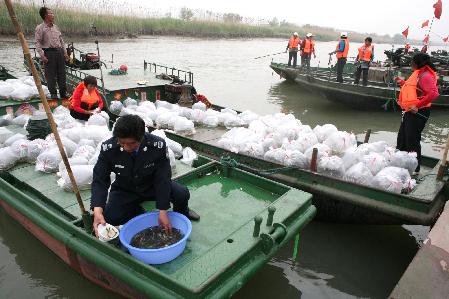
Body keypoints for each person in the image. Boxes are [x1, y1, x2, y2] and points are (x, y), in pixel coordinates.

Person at [91, 115, 200, 236]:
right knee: (111, 217)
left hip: (151, 186)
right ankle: (138, 212)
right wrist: (97, 209)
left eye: (132, 143)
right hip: (125, 189)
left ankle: (183, 213)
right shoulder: (108, 149)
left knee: (181, 193)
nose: (126, 147)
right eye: (122, 143)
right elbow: (100, 179)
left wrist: (163, 211)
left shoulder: (157, 146)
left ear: (141, 137)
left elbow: (162, 178)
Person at [395, 53, 439, 174]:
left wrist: (417, 106)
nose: (410, 64)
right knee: (402, 138)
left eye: (412, 61)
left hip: (418, 112)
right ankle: (401, 163)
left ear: (418, 63)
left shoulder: (426, 76)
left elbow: (434, 93)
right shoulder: (418, 73)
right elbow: (415, 89)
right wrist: (402, 82)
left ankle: (415, 168)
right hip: (409, 111)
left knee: (412, 140)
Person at [35, 7, 68, 99]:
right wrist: (42, 55)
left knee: (62, 74)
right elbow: (37, 42)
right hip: (49, 53)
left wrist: (65, 53)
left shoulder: (55, 27)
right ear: (45, 15)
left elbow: (61, 41)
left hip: (59, 52)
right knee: (50, 75)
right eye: (51, 13)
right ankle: (53, 94)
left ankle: (63, 93)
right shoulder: (40, 28)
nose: (53, 15)